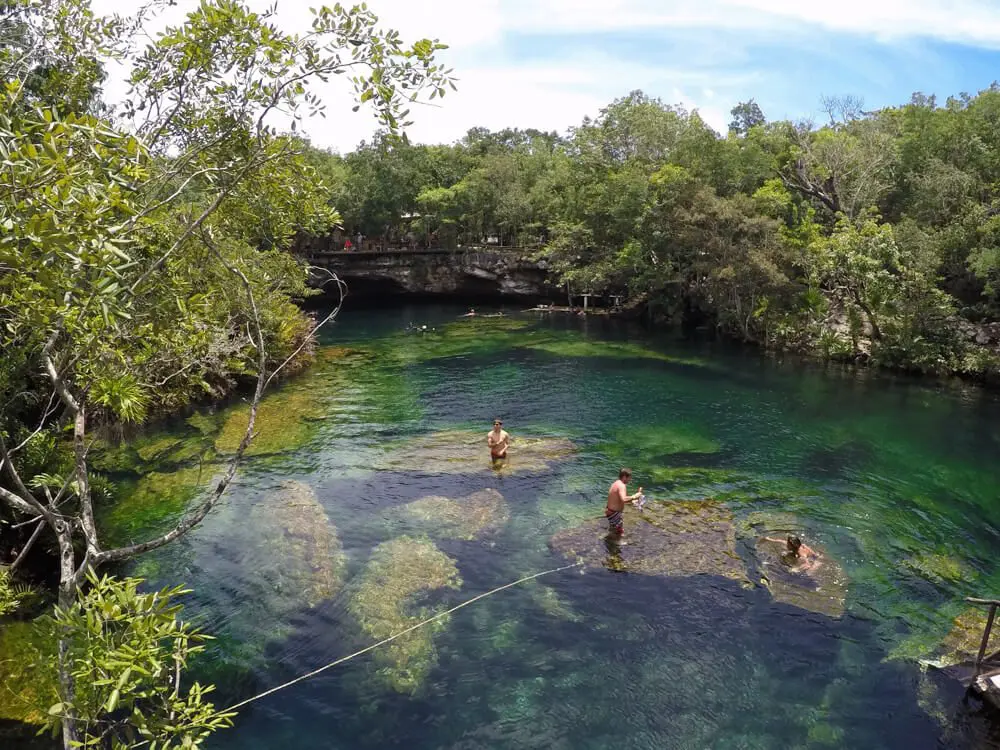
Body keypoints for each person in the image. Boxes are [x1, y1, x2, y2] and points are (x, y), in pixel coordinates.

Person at [606, 468, 642, 538]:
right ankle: (616, 546)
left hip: (610, 511)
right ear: (624, 476)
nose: (630, 480)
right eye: (629, 478)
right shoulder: (621, 485)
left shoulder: (616, 483)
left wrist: (632, 501)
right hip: (614, 513)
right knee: (619, 533)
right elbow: (623, 499)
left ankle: (610, 540)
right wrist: (634, 496)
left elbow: (618, 500)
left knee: (614, 530)